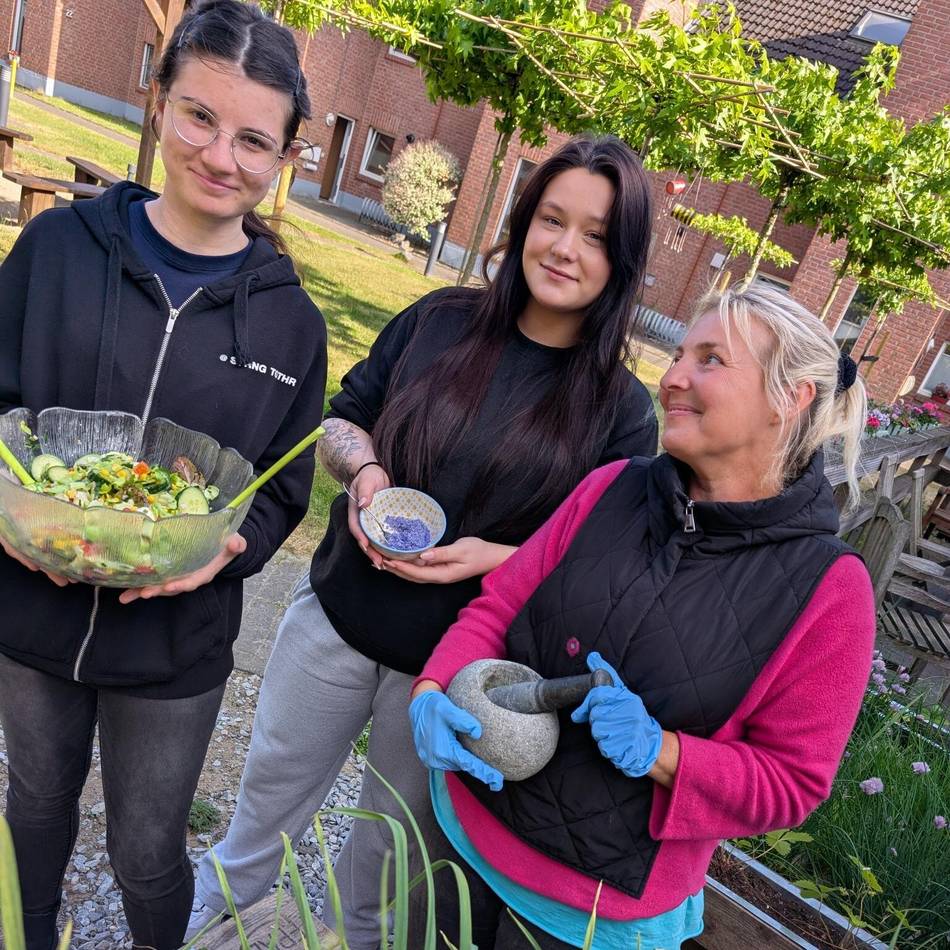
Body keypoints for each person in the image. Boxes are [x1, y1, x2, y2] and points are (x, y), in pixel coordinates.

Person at [190, 135, 659, 945]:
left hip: (452, 676)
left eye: (594, 236)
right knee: (262, 815)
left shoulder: (621, 410)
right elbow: (344, 417)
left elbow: (608, 562)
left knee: (379, 869)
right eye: (553, 219)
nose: (564, 248)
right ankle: (203, 923)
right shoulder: (439, 321)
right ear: (525, 221)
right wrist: (366, 476)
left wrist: (495, 561)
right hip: (337, 615)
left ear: (621, 261)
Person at [409, 283, 876, 949]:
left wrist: (664, 753)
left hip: (592, 918)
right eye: (681, 353)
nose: (673, 377)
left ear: (791, 398)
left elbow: (792, 781)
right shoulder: (611, 489)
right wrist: (434, 687)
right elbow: (498, 608)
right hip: (463, 836)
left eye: (710, 360)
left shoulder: (829, 589)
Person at [0, 3, 327, 947]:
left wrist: (219, 554)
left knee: (147, 850)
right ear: (157, 102)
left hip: (175, 644)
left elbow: (278, 490)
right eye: (199, 117)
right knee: (33, 809)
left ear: (283, 157)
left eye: (254, 139)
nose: (222, 156)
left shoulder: (290, 325)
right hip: (32, 612)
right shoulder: (58, 251)